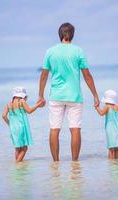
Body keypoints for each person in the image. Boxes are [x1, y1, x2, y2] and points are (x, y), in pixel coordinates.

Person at [38, 22, 100, 161]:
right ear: (72, 35)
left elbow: (44, 75)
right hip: (74, 96)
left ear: (60, 34)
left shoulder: (50, 51)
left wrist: (40, 95)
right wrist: (95, 95)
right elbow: (87, 75)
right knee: (75, 129)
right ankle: (75, 163)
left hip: (56, 96)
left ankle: (56, 163)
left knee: (54, 129)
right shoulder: (78, 51)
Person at [2, 86, 42, 162]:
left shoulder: (9, 104)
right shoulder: (22, 102)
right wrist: (37, 105)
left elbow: (3, 115)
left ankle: (18, 167)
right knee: (24, 148)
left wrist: (10, 124)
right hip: (21, 127)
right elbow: (29, 111)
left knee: (17, 148)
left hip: (13, 128)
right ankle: (17, 164)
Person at [95, 90, 118, 159]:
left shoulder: (107, 106)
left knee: (111, 148)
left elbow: (101, 113)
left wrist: (97, 108)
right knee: (116, 148)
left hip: (110, 129)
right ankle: (117, 163)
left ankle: (111, 165)